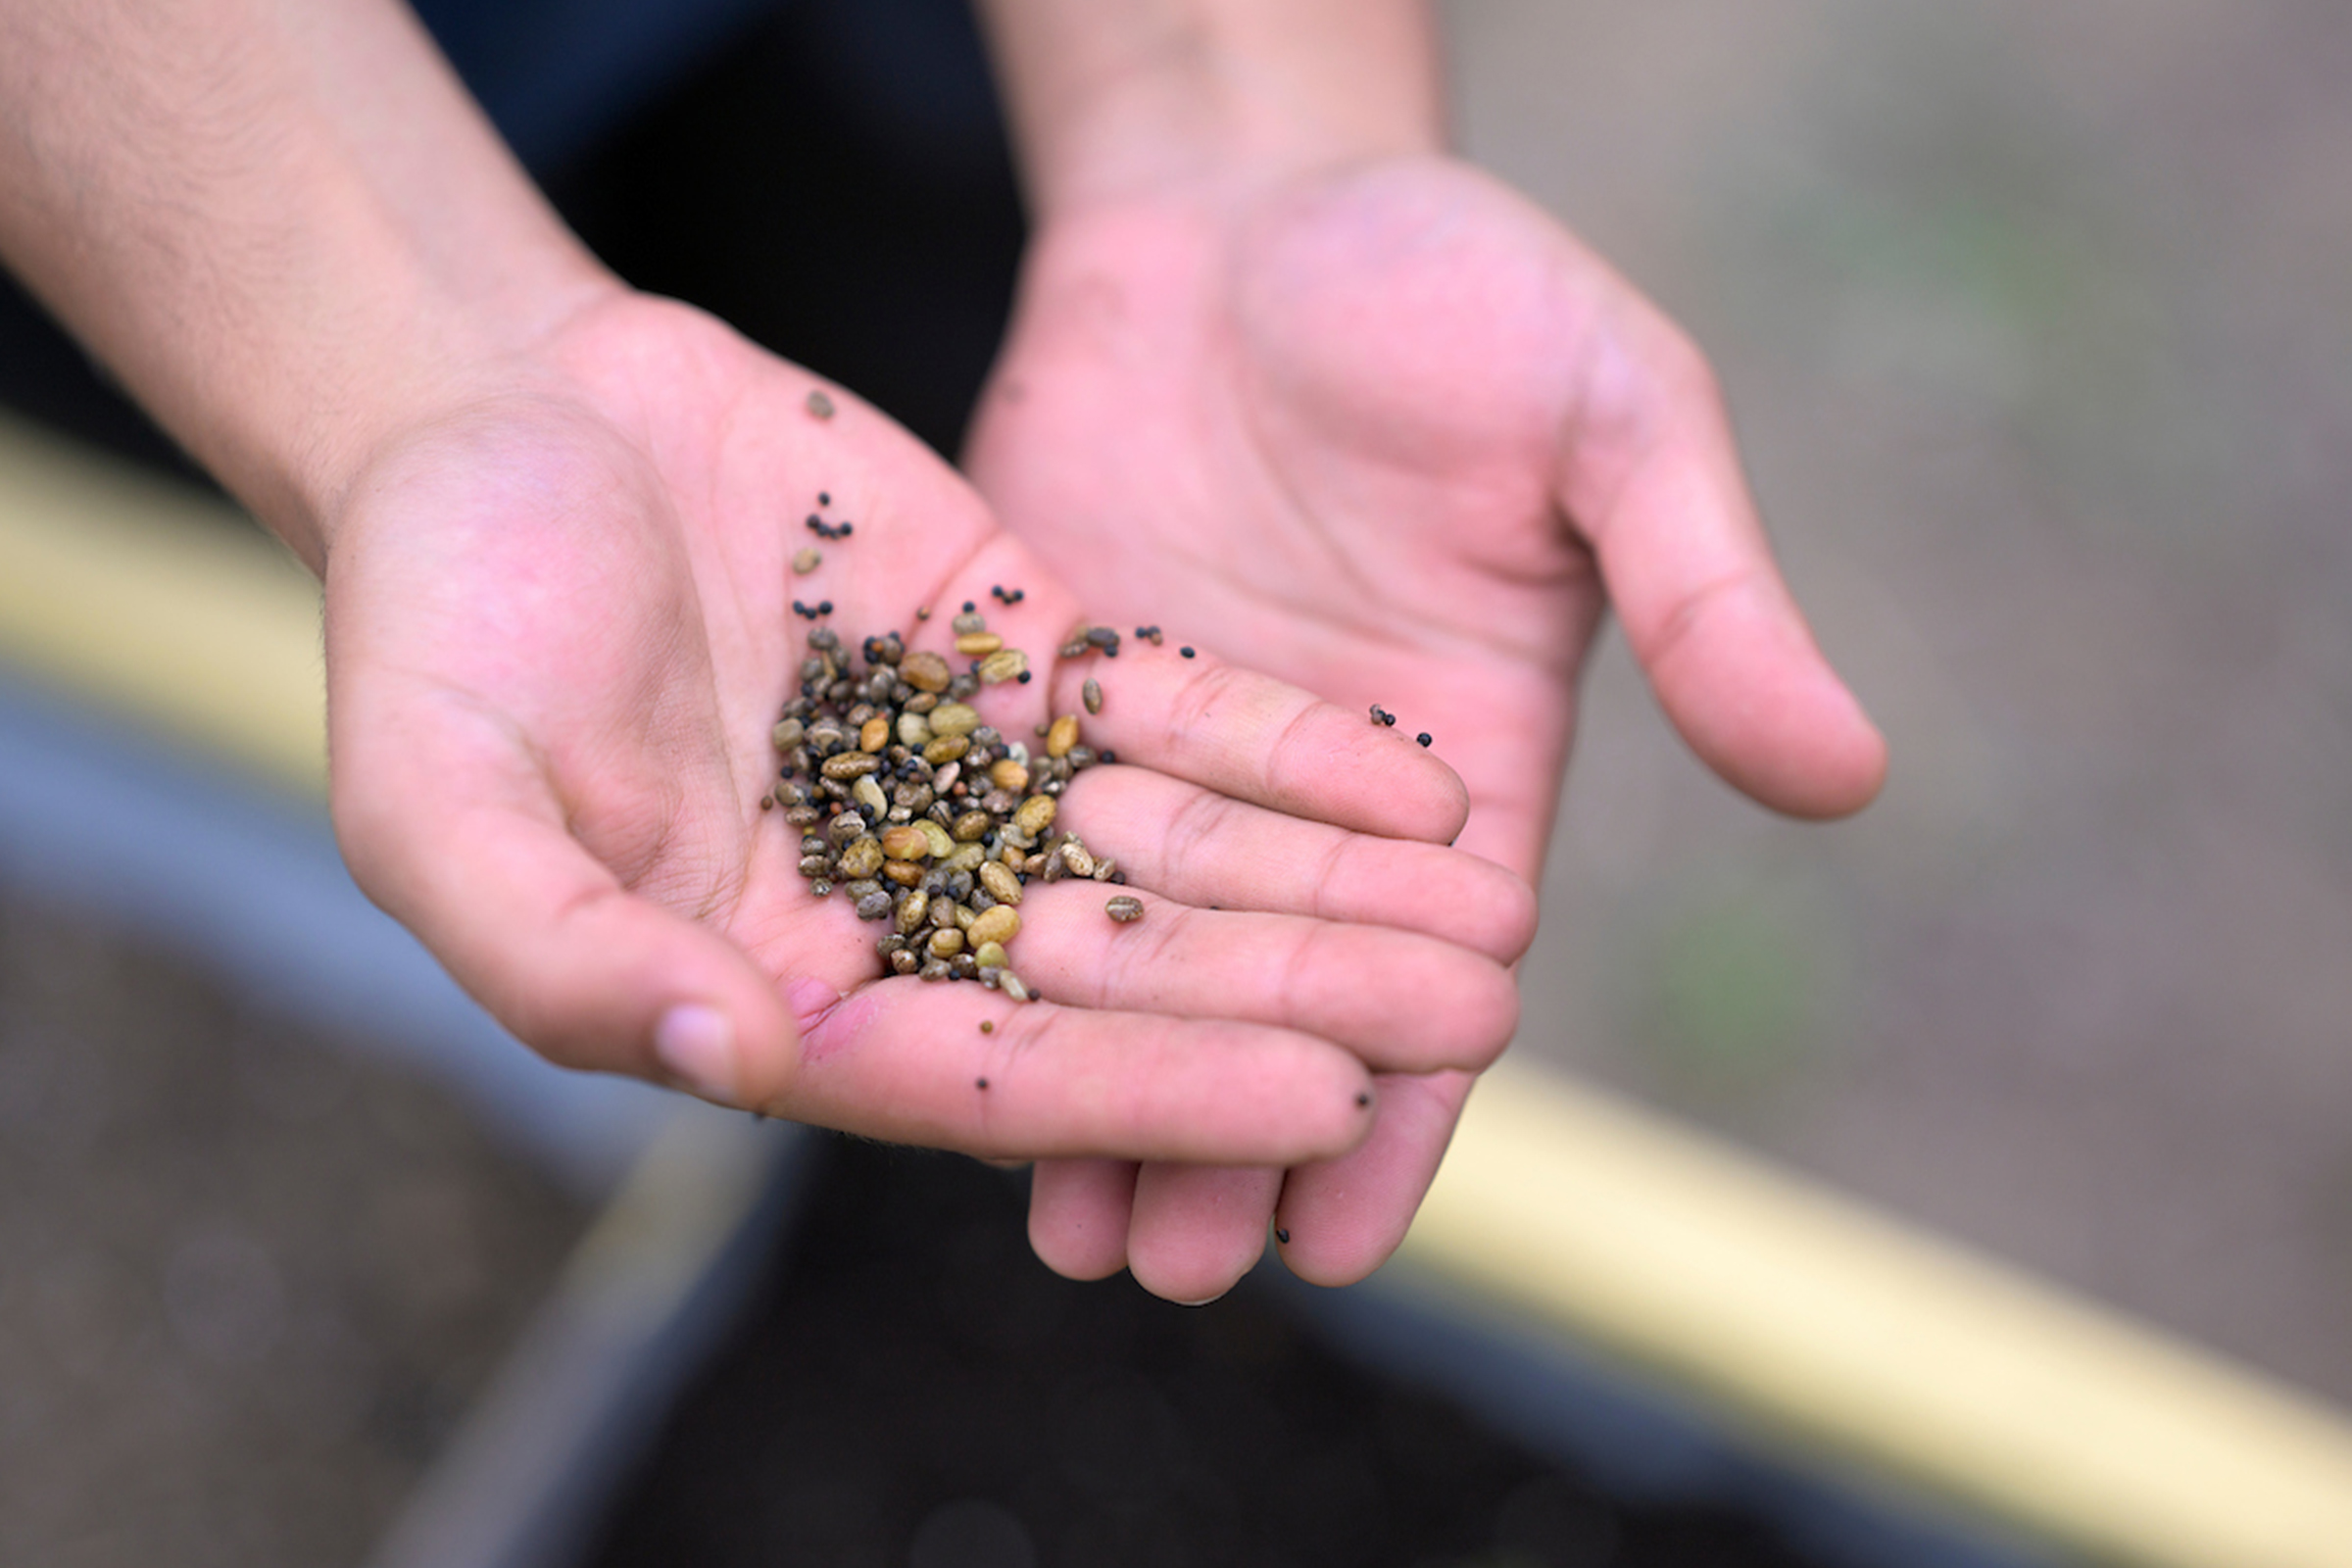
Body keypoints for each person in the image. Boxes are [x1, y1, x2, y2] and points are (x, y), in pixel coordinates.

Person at [0, 0, 1883, 1306]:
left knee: (942, 392)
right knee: (520, 626)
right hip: (152, 132)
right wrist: (400, 364)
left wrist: (1231, 133)